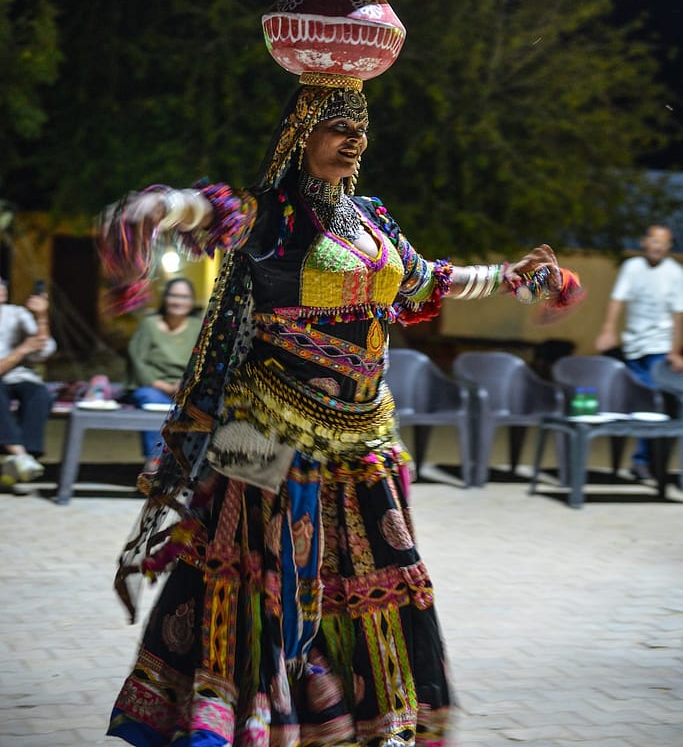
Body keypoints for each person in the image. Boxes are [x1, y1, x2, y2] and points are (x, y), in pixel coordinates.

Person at [99, 77, 581, 747]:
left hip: (362, 438)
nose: (353, 137)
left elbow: (424, 280)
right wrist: (150, 209)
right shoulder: (268, 215)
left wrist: (515, 274)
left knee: (370, 581)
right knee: (254, 582)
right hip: (266, 435)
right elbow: (194, 213)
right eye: (336, 124)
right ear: (299, 135)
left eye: (359, 124)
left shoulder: (371, 219)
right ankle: (247, 722)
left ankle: (355, 725)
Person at [595, 224, 683, 479]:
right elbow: (617, 300)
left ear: (669, 247)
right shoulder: (632, 268)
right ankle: (646, 461)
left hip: (659, 348)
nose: (657, 246)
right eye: (653, 241)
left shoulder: (675, 273)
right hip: (634, 347)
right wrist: (608, 330)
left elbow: (679, 315)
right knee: (637, 404)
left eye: (663, 243)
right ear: (644, 242)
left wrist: (676, 351)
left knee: (651, 402)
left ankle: (644, 461)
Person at [126, 277, 202, 463]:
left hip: (186, 388)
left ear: (191, 302)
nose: (178, 301)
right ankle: (154, 462)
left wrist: (185, 384)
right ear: (165, 298)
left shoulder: (198, 326)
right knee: (155, 404)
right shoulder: (149, 325)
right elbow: (137, 360)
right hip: (153, 387)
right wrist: (163, 386)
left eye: (184, 297)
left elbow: (203, 360)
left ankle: (189, 465)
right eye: (173, 295)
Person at [0, 277, 57, 485]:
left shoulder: (16, 313)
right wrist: (22, 349)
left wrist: (42, 315)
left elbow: (43, 348)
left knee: (39, 394)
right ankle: (21, 455)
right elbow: (27, 349)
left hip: (19, 375)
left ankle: (20, 460)